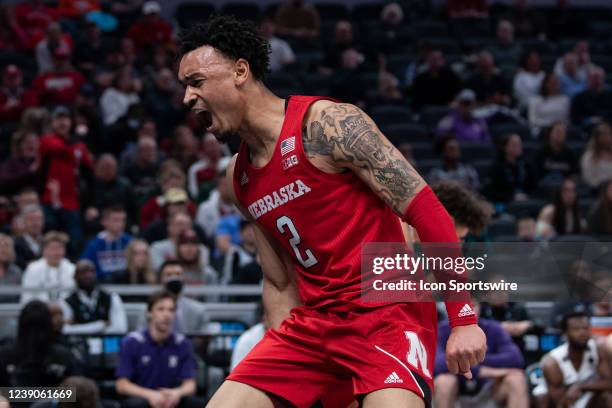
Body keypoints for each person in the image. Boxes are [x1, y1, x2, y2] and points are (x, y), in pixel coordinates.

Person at [178, 16, 485, 408]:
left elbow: (427, 211)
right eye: (185, 86)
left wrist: (462, 320)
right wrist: (284, 371)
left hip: (386, 316)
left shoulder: (327, 125)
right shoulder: (239, 178)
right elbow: (278, 284)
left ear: (241, 70)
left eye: (197, 81)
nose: (187, 97)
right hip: (314, 327)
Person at [115, 290, 204, 408]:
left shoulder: (182, 343)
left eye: (171, 310)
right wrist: (150, 395)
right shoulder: (132, 342)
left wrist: (176, 393)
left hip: (171, 398)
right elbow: (122, 385)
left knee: (195, 403)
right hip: (144, 398)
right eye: (161, 309)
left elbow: (190, 384)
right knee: (136, 405)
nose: (167, 314)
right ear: (149, 313)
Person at [434, 302, 528, 408]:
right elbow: (437, 364)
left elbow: (516, 358)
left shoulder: (494, 328)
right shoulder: (442, 329)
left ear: (479, 308)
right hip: (456, 393)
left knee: (517, 378)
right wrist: (482, 371)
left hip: (488, 390)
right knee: (444, 381)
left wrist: (467, 361)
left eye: (472, 306)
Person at [39, 105, 94, 255]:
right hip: (49, 199)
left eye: (66, 119)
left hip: (72, 201)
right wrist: (78, 143)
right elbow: (59, 150)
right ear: (52, 123)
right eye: (58, 119)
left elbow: (89, 171)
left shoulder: (79, 146)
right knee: (50, 239)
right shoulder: (47, 141)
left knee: (76, 242)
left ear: (71, 122)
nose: (62, 123)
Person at [539, 311, 612, 408]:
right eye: (576, 329)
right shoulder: (552, 363)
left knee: (607, 396)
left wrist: (581, 386)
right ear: (565, 333)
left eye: (586, 328)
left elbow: (609, 382)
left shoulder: (598, 350)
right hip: (560, 398)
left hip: (588, 392)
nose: (582, 333)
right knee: (541, 397)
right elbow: (560, 403)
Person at [0, 300, 78, 387]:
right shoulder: (64, 356)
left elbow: (74, 392)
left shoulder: (5, 355)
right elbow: (73, 393)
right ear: (48, 325)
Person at [59, 259, 127, 335]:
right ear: (75, 277)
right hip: (78, 344)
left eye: (92, 271)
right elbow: (65, 330)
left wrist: (77, 327)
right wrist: (100, 325)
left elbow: (120, 328)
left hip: (106, 343)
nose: (88, 275)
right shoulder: (67, 301)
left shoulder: (111, 297)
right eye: (83, 272)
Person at [81, 205, 133, 283]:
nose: (120, 224)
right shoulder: (94, 245)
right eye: (116, 220)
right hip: (101, 286)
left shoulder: (131, 242)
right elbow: (85, 267)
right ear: (104, 222)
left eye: (123, 220)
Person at [20, 231, 75, 304]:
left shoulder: (72, 269)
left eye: (59, 248)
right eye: (53, 249)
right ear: (44, 250)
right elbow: (27, 296)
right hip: (39, 311)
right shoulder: (33, 268)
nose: (56, 253)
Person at [159, 260, 209, 334]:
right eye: (168, 275)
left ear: (184, 278)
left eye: (178, 274)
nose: (174, 278)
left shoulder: (198, 311)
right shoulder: (150, 309)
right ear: (161, 279)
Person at [485, 133, 536, 203]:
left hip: (526, 200)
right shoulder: (497, 168)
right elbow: (494, 191)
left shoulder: (526, 165)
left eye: (520, 144)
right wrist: (512, 196)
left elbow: (534, 186)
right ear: (505, 147)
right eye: (514, 145)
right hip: (506, 202)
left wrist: (527, 196)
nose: (519, 147)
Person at [581, 122, 612, 189]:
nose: (607, 138)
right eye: (604, 135)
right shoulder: (589, 157)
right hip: (597, 190)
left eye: (609, 134)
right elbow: (589, 179)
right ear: (597, 138)